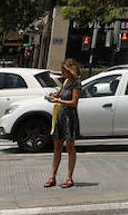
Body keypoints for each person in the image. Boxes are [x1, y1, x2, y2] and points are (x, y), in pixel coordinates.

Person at [45, 59, 81, 189]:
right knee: (57, 147)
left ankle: (69, 177)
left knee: (70, 147)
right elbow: (59, 94)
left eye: (64, 71)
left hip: (69, 117)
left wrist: (58, 100)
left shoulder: (76, 83)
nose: (62, 74)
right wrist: (52, 96)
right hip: (60, 116)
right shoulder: (65, 82)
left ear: (69, 70)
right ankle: (52, 176)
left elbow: (74, 102)